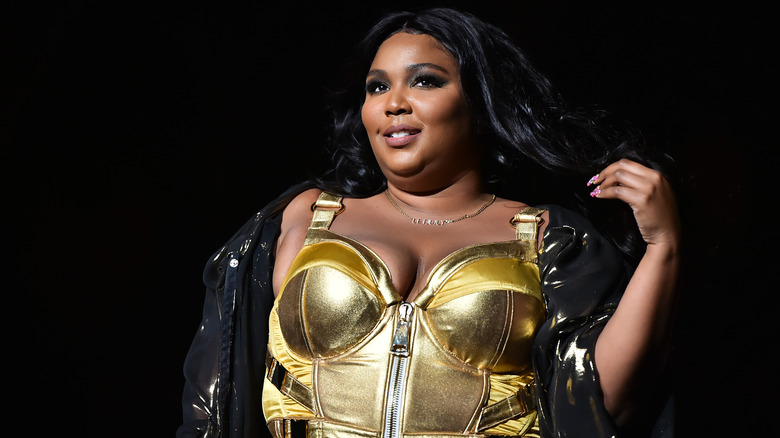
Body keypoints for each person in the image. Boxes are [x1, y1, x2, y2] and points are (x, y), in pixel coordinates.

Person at [177, 7, 680, 438]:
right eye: (377, 87)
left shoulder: (548, 237)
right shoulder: (305, 218)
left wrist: (663, 246)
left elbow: (600, 402)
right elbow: (213, 399)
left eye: (424, 80)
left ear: (480, 104)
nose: (394, 102)